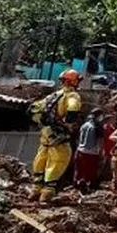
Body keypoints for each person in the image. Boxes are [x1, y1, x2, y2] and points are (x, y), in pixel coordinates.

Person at [29, 69, 82, 202]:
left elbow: (33, 109)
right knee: (59, 159)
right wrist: (68, 124)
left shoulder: (52, 96)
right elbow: (73, 108)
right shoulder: (72, 95)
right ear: (74, 81)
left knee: (41, 158)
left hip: (46, 133)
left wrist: (42, 122)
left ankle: (36, 189)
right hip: (59, 135)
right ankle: (48, 192)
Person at [74, 108, 105, 193]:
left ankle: (78, 183)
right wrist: (101, 151)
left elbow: (78, 137)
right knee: (91, 170)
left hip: (80, 150)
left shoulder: (84, 125)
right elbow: (100, 140)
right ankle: (88, 185)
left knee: (80, 169)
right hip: (91, 152)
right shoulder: (97, 126)